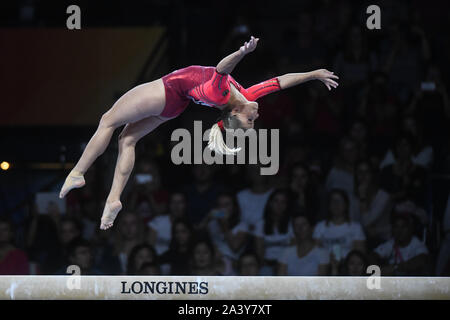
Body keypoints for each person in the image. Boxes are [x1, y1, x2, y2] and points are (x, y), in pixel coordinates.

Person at [58, 36, 339, 230]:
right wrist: (312, 74)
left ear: (234, 114)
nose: (257, 117)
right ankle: (114, 198)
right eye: (254, 121)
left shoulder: (223, 93)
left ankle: (79, 172)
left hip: (166, 91)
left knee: (108, 120)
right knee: (127, 139)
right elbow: (281, 82)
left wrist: (242, 53)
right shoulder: (246, 95)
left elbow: (222, 68)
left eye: (250, 121)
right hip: (175, 106)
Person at [313, 189, 366, 263]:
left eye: (339, 201)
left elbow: (360, 255)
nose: (336, 204)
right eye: (333, 201)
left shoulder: (356, 227)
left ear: (346, 205)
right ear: (329, 205)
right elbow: (315, 253)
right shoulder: (320, 226)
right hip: (325, 265)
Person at [350, 160, 392, 249]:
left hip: (383, 240)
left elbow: (367, 222)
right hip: (362, 238)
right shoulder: (353, 197)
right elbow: (353, 223)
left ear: (372, 174)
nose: (363, 176)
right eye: (360, 172)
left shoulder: (383, 196)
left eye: (367, 172)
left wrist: (362, 196)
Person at [198, 192, 250, 263]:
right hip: (213, 262)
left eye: (226, 205)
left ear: (234, 207)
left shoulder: (242, 225)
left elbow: (235, 247)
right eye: (220, 205)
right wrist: (207, 218)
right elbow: (197, 235)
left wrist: (224, 224)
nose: (223, 208)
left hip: (233, 263)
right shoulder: (212, 224)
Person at [253, 189, 295, 275]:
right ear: (270, 203)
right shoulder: (260, 224)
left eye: (283, 202)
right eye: (276, 201)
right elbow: (259, 251)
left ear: (287, 205)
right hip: (266, 265)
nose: (279, 205)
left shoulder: (292, 224)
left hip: (287, 264)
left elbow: (293, 248)